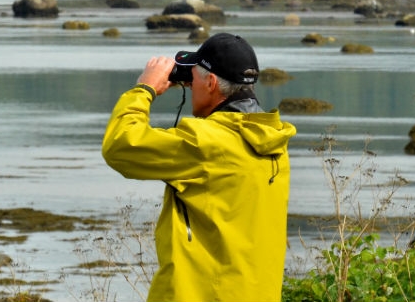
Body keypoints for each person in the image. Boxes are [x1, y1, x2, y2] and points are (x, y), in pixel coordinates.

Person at [102, 32, 297, 302]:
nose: (190, 87)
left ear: (212, 82)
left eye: (193, 80)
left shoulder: (206, 143)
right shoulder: (273, 141)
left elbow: (120, 146)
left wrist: (144, 90)